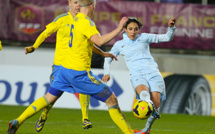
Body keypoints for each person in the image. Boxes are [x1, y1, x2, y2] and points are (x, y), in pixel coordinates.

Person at [8, 0, 143, 134]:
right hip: (78, 73)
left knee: (48, 98)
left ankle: (17, 121)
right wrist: (119, 28)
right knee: (111, 99)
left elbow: (86, 42)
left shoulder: (75, 20)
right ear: (92, 6)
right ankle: (129, 132)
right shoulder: (86, 22)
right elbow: (99, 41)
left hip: (63, 70)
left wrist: (103, 54)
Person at [24, 0, 94, 131]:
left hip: (76, 64)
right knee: (53, 97)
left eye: (80, 3)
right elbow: (45, 33)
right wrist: (34, 46)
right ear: (69, 4)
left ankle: (85, 118)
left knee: (84, 87)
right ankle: (44, 114)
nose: (77, 5)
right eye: (75, 2)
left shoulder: (84, 21)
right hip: (60, 65)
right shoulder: (61, 19)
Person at [102, 17, 176, 134]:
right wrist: (107, 72)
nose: (133, 32)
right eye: (130, 29)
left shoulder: (144, 37)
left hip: (153, 73)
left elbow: (167, 37)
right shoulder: (119, 44)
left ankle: (146, 129)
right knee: (144, 94)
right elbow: (108, 58)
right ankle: (145, 105)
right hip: (137, 75)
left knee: (156, 107)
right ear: (125, 29)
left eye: (136, 29)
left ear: (138, 30)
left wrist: (171, 28)